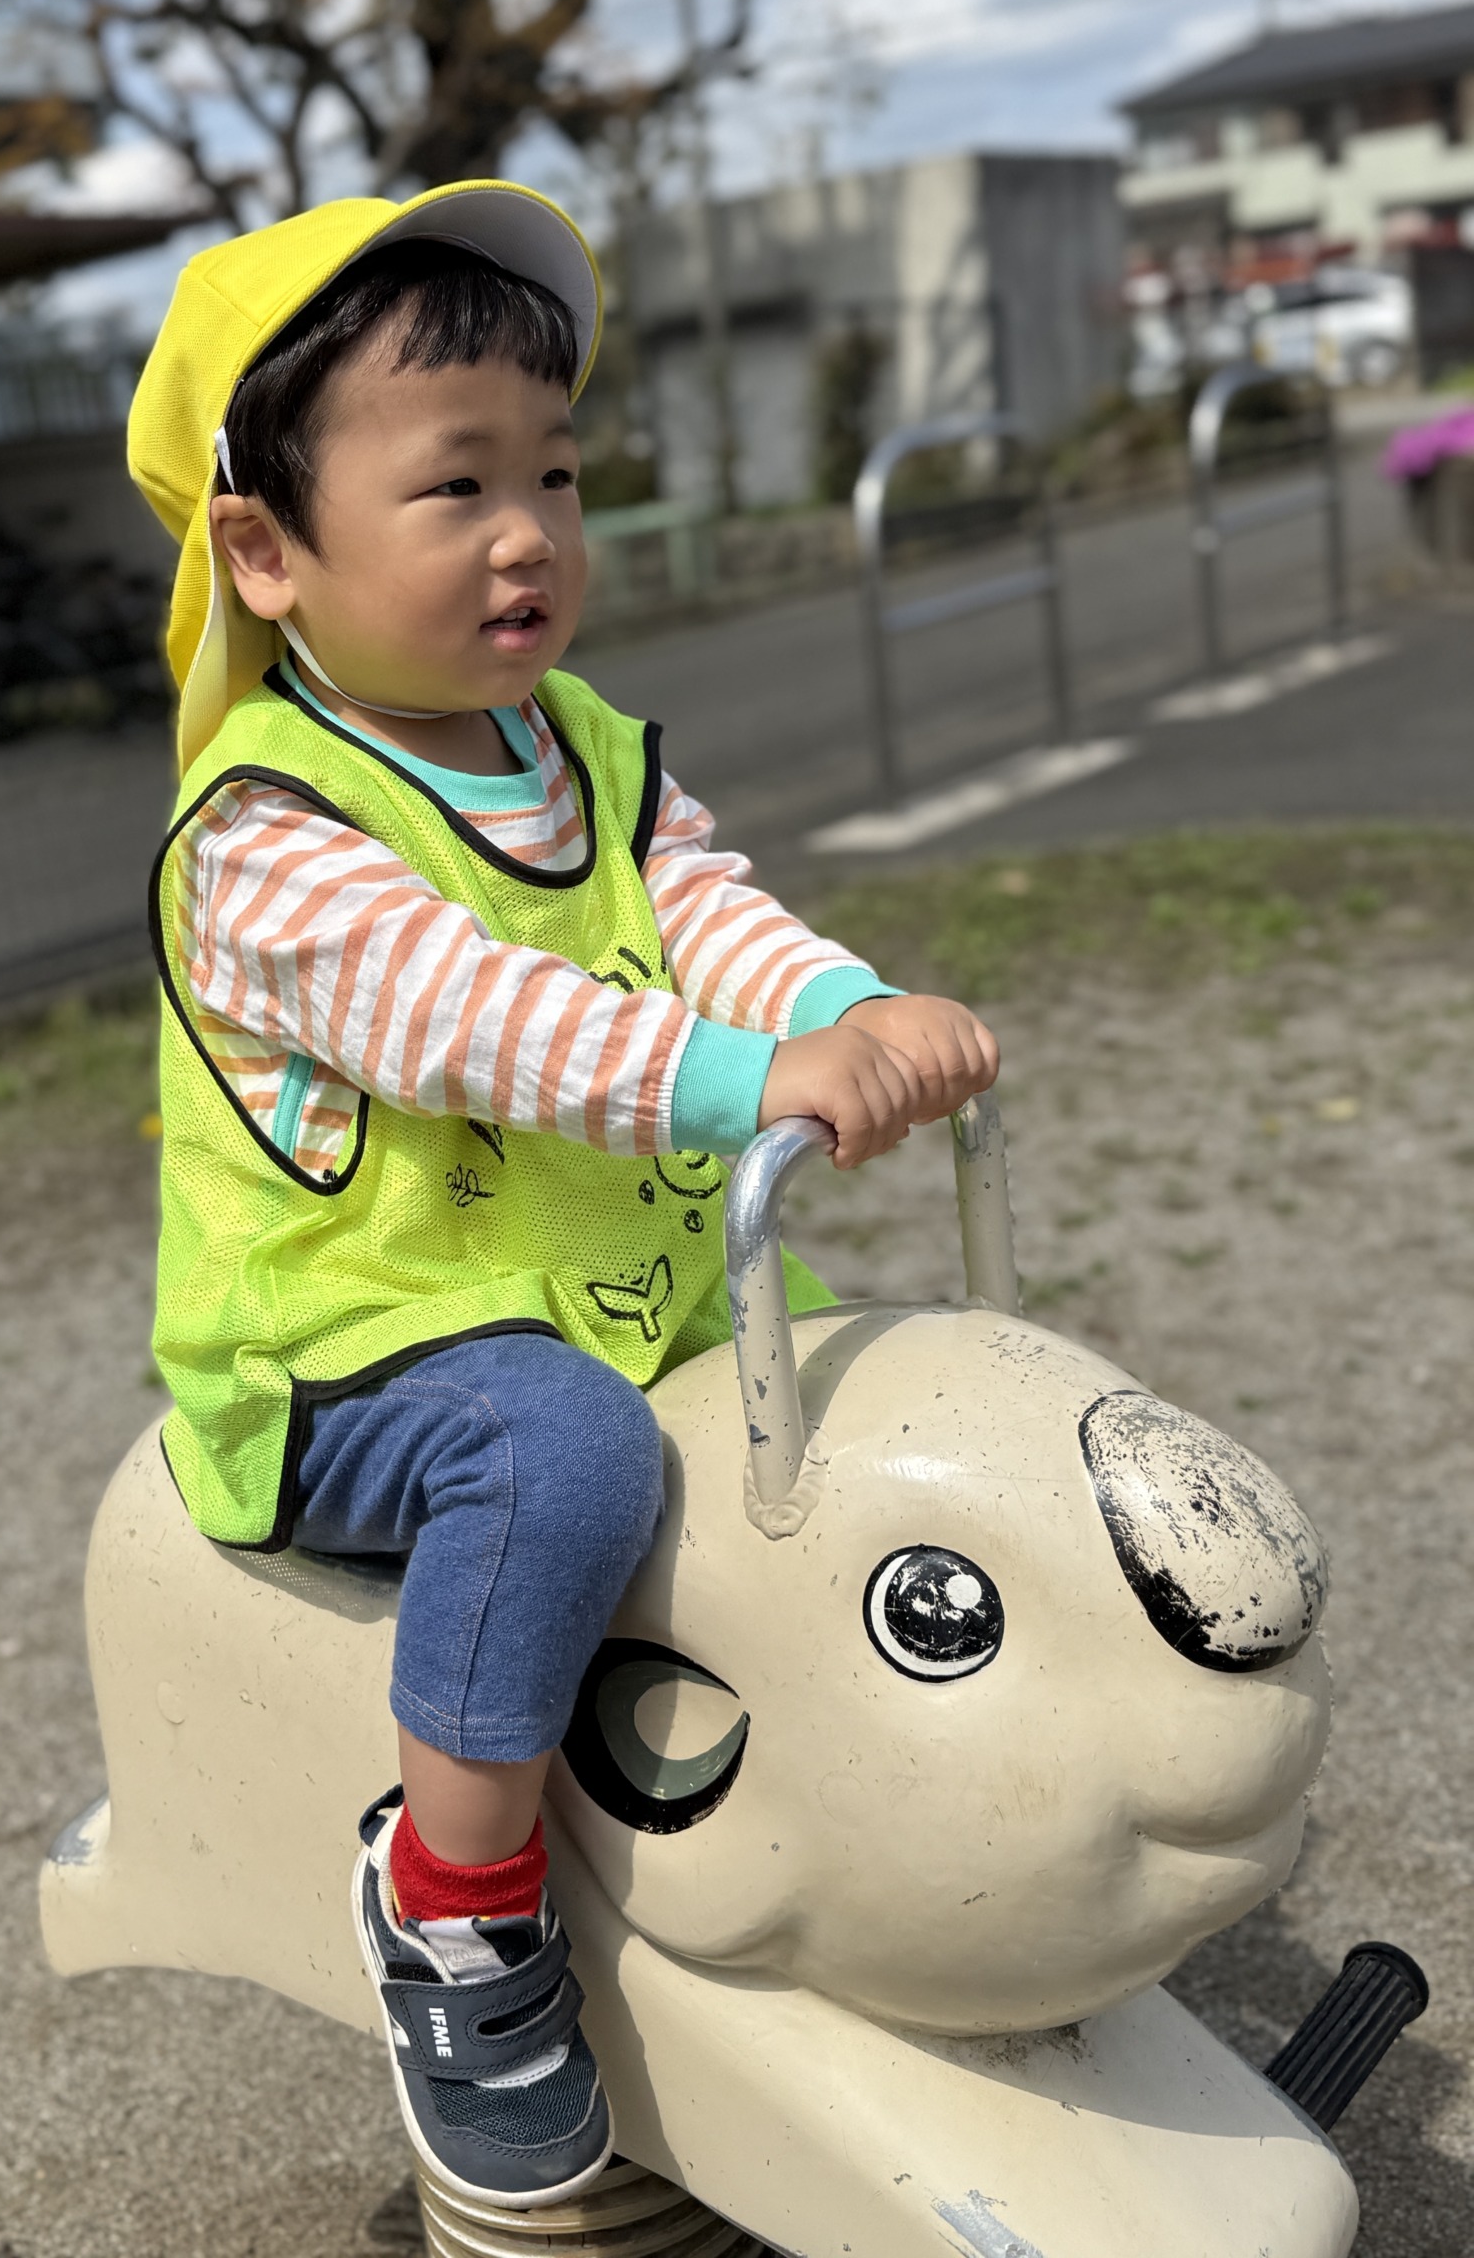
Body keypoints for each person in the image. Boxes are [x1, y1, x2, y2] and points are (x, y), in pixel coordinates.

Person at [130, 183, 999, 2209]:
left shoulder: (575, 745)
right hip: (358, 1351)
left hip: (602, 1290)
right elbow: (476, 1019)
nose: (527, 530)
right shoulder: (265, 831)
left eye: (556, 471)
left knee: (839, 1419)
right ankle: (458, 1911)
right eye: (455, 485)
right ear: (265, 553)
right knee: (565, 1460)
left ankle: (856, 1853)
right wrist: (751, 1080)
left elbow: (705, 911)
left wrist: (849, 1008)